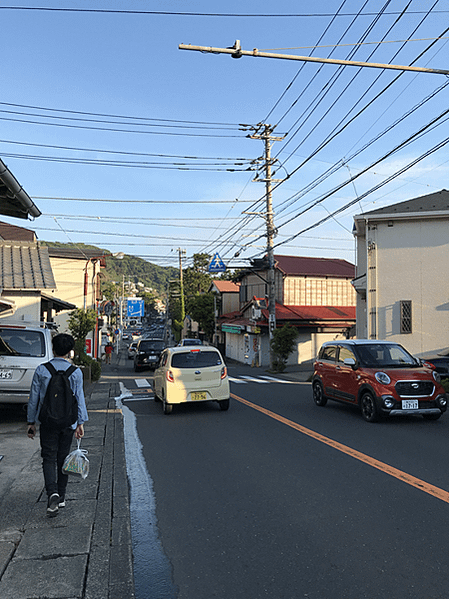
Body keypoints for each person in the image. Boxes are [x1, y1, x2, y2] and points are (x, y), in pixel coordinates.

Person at [27, 333, 88, 517]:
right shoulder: (75, 372)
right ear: (70, 351)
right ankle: (61, 497)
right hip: (68, 423)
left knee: (48, 458)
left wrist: (31, 422)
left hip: (47, 422)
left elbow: (34, 398)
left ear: (53, 349)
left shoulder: (42, 370)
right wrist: (80, 422)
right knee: (63, 458)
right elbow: (80, 399)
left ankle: (51, 492)